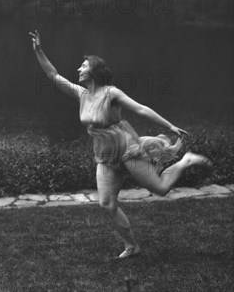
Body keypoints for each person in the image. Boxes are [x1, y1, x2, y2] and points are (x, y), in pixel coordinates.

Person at [29, 30, 212, 259]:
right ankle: (131, 246)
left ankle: (186, 160)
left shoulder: (111, 93)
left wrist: (170, 126)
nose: (78, 69)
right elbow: (53, 75)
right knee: (106, 204)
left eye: (83, 66)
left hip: (127, 150)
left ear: (94, 71)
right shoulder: (81, 94)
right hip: (104, 156)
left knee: (162, 189)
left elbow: (140, 109)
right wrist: (39, 50)